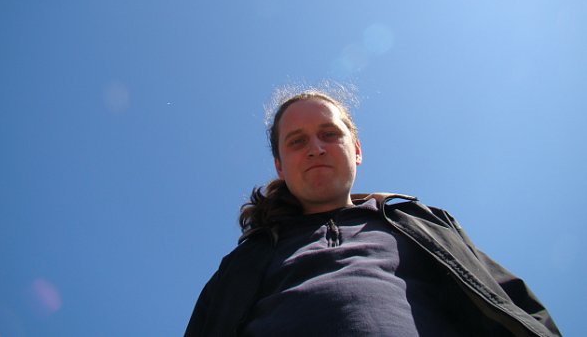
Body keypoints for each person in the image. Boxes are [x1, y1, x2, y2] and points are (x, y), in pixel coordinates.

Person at [184, 88, 561, 336]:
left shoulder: (426, 227)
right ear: (280, 166)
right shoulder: (243, 263)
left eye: (329, 134)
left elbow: (516, 308)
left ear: (357, 149)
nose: (315, 148)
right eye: (297, 141)